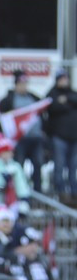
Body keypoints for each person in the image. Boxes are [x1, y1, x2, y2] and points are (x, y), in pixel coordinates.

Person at [0, 69, 46, 193]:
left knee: (38, 164)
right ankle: (19, 192)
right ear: (16, 84)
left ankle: (37, 192)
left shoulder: (33, 97)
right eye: (21, 83)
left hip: (35, 138)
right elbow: (3, 116)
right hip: (20, 139)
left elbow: (42, 109)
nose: (24, 86)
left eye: (25, 83)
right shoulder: (9, 99)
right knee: (19, 165)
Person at [46, 69, 77, 204]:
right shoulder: (52, 94)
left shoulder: (72, 93)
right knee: (59, 166)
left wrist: (67, 100)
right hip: (59, 137)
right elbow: (51, 107)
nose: (64, 81)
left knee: (73, 167)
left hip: (74, 138)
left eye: (66, 78)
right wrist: (67, 104)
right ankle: (61, 193)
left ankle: (74, 193)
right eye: (61, 79)